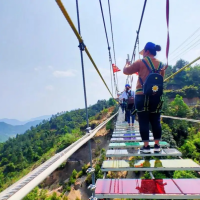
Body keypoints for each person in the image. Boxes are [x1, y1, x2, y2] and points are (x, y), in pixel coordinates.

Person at [123, 42, 165, 153]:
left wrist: (127, 64)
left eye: (143, 52)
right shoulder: (161, 65)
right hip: (156, 96)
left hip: (141, 96)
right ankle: (157, 146)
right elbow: (161, 79)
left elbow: (126, 71)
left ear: (146, 51)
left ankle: (146, 147)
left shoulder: (141, 62)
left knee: (143, 121)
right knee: (156, 121)